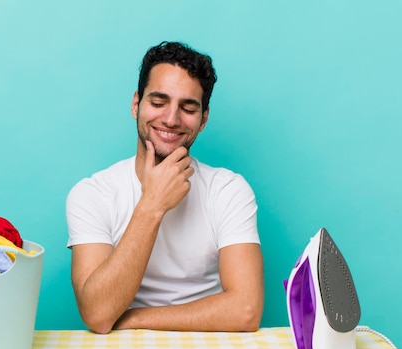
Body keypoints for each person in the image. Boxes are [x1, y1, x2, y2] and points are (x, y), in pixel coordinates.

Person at [66, 41, 264, 334]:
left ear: (203, 119)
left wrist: (135, 319)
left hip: (210, 346)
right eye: (158, 103)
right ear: (136, 105)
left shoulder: (228, 190)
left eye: (187, 107)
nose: (171, 119)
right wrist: (153, 204)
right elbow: (97, 313)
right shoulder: (92, 194)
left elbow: (246, 310)